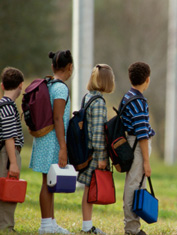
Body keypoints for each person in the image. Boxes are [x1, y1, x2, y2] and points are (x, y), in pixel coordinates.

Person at [29, 50, 73, 234]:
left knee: (50, 181)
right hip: (53, 140)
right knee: (48, 182)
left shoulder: (49, 84)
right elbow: (58, 118)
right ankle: (45, 225)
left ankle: (51, 222)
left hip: (44, 138)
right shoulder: (61, 88)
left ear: (52, 67)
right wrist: (63, 147)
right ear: (70, 68)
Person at [77, 64, 115, 234]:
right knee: (89, 189)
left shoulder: (88, 97)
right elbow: (99, 132)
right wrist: (102, 157)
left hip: (87, 150)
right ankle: (87, 226)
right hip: (94, 153)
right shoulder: (99, 102)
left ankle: (87, 224)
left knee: (87, 188)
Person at [121, 62, 155, 235]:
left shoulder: (128, 96)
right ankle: (132, 229)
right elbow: (142, 134)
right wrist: (146, 162)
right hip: (137, 147)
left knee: (134, 185)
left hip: (131, 144)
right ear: (147, 79)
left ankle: (134, 226)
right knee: (134, 187)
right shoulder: (139, 102)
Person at [0, 67, 24, 232]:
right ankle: (6, 226)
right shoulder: (8, 107)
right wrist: (13, 163)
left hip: (6, 153)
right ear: (21, 85)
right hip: (7, 154)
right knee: (8, 191)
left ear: (2, 85)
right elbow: (9, 137)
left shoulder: (3, 104)